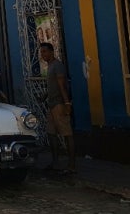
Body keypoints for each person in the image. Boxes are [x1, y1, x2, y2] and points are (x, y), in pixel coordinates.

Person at [40, 42, 76, 174]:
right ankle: (55, 161)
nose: (43, 54)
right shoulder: (50, 67)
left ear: (51, 52)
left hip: (59, 105)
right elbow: (53, 86)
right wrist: (44, 96)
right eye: (41, 52)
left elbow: (62, 86)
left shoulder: (57, 66)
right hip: (51, 104)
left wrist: (67, 104)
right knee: (51, 133)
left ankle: (72, 164)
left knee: (67, 134)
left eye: (45, 51)